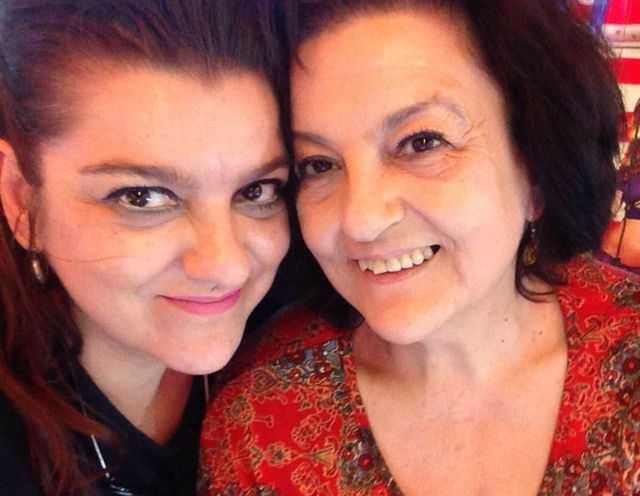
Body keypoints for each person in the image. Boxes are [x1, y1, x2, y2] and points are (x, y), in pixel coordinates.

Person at [199, 0, 640, 494]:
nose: (362, 220)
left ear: (534, 167)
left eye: (421, 143)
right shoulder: (259, 422)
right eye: (318, 165)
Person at [0, 0, 289, 494]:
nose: (226, 266)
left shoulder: (298, 335)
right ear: (21, 199)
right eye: (143, 197)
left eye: (256, 191)